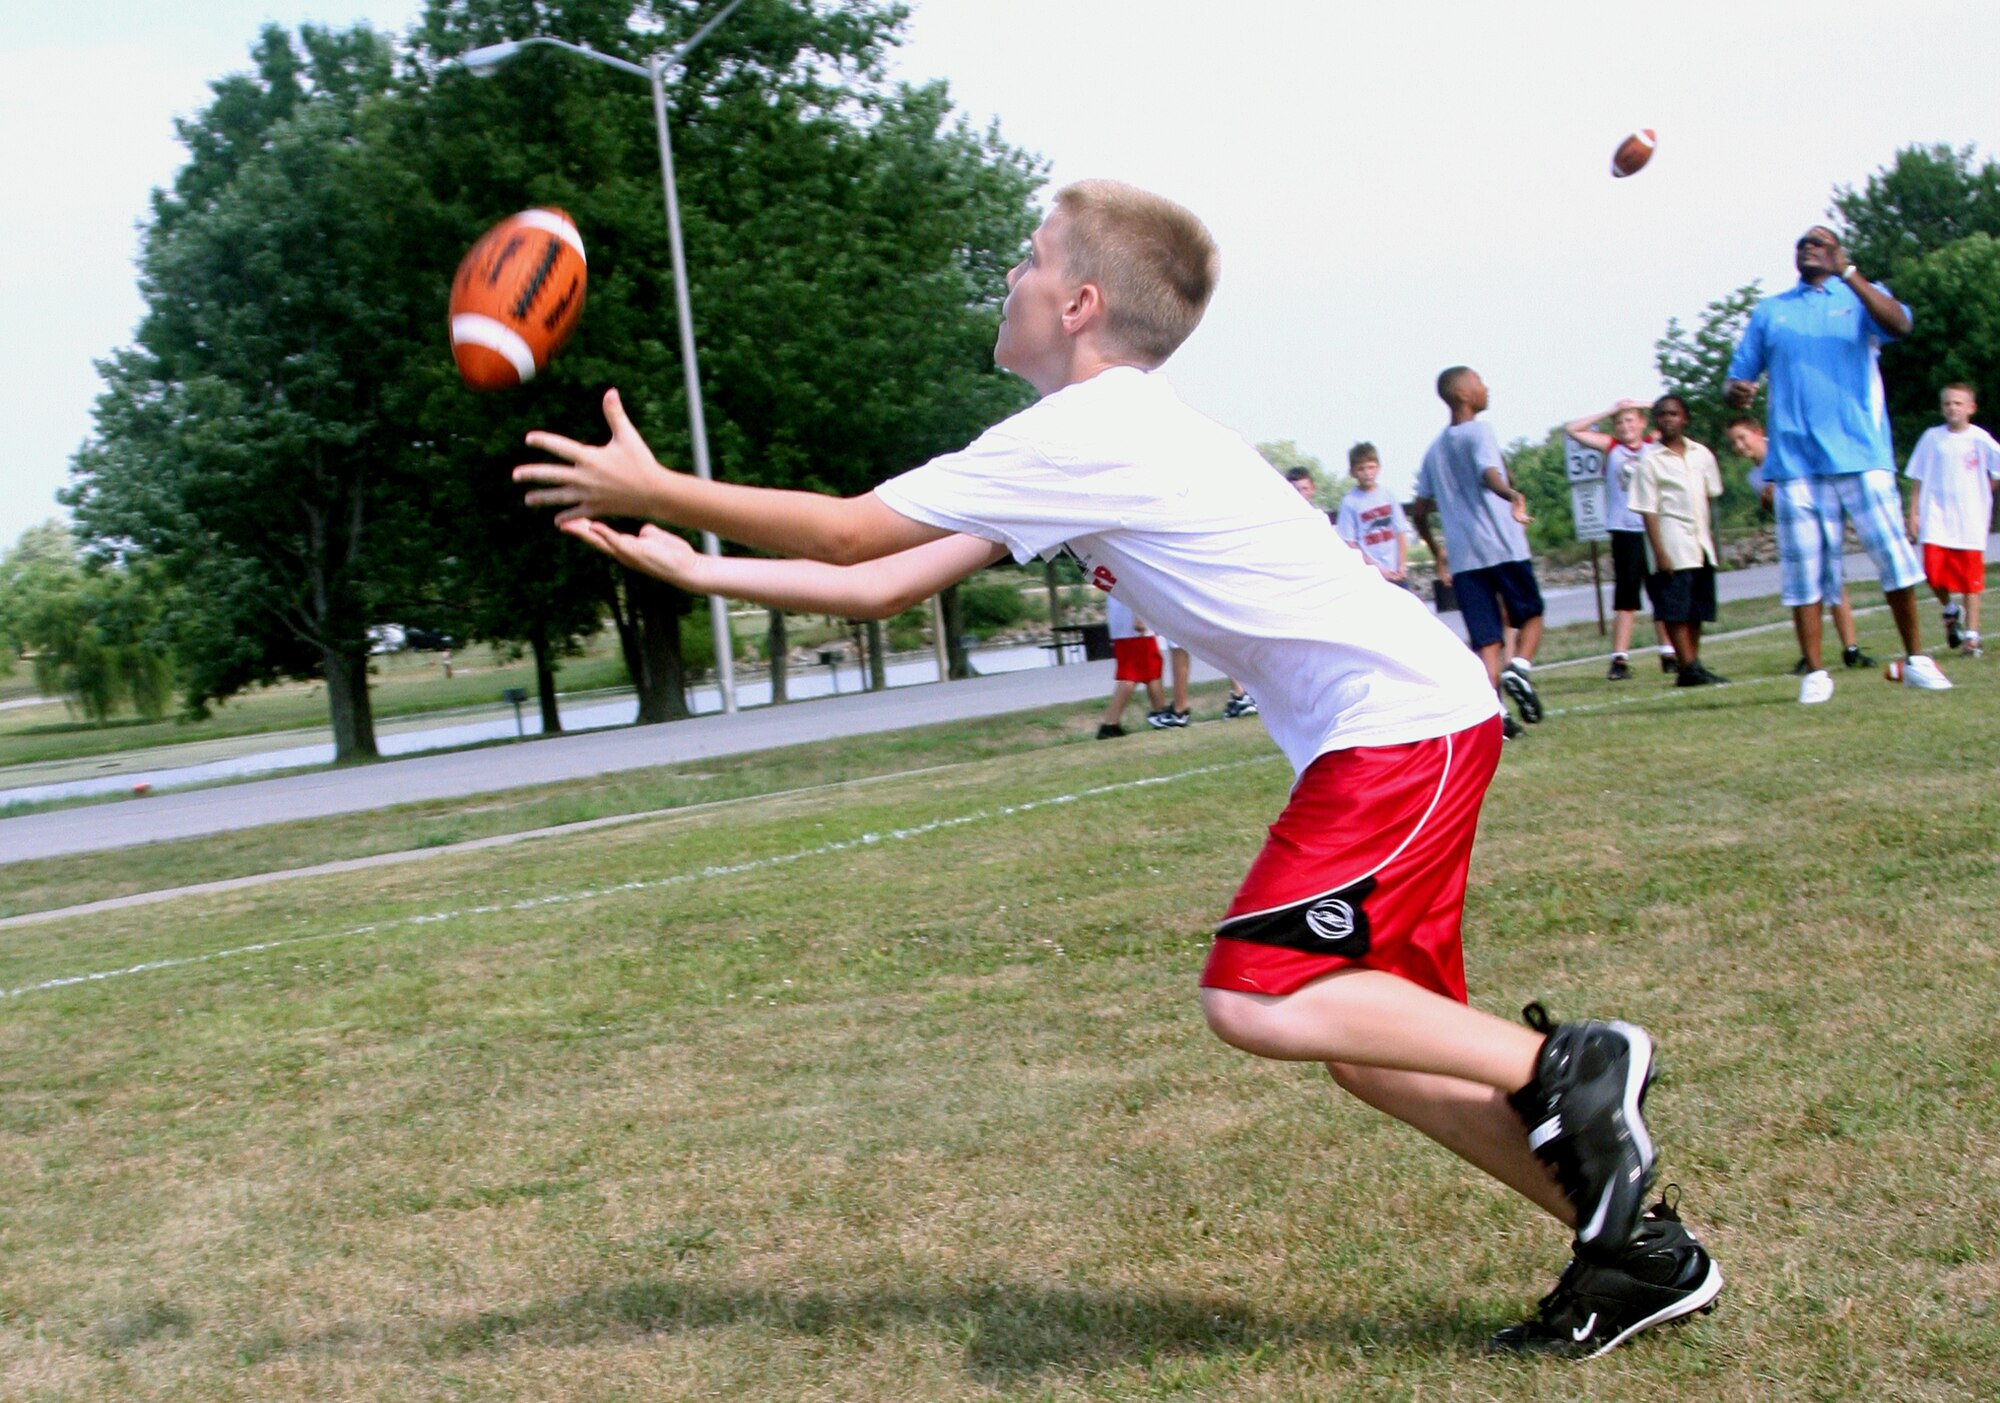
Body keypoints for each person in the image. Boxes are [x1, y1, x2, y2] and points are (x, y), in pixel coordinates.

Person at [514, 178, 1720, 1357]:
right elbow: (873, 581)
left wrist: (654, 481)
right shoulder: (1080, 445)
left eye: (1030, 259)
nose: (1010, 275)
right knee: (1366, 1042)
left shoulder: (1088, 428)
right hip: (1404, 715)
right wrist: (696, 567)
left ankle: (1574, 1061)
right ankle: (1639, 1254)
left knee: (1259, 994)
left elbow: (844, 527)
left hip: (1394, 721)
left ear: (1080, 301)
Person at [1724, 224, 1951, 700]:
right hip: (1794, 462)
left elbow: (1900, 325)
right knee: (1804, 573)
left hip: (1861, 452)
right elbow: (1735, 382)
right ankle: (1815, 672)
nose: (1808, 247)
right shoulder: (1772, 312)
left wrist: (1849, 274)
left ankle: (1915, 659)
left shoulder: (1861, 298)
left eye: (1819, 242)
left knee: (1894, 558)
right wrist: (1738, 392)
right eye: (1801, 243)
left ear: (1837, 252)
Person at [1411, 367, 1547, 737]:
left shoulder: (1435, 450)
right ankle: (1519, 668)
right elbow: (1490, 474)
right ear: (1464, 395)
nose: (1487, 386)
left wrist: (1437, 550)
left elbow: (1420, 510)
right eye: (1480, 382)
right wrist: (1511, 495)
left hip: (1464, 557)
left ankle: (1496, 716)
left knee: (1487, 640)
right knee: (1532, 613)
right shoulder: (1480, 431)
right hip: (1501, 546)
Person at [1723, 417, 1874, 679]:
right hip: (1792, 531)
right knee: (1800, 591)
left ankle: (1850, 648)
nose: (1739, 446)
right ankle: (1808, 653)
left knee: (1835, 582)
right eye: (1734, 442)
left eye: (1742, 438)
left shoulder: (1783, 449)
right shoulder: (1754, 475)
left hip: (1818, 516)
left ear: (1758, 433)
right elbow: (1776, 510)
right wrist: (1769, 501)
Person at [1563, 399, 1676, 679]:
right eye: (1620, 422)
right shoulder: (1612, 448)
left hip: (1652, 528)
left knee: (1661, 594)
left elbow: (1674, 414)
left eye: (1631, 420)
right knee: (1626, 598)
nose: (1626, 426)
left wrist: (1641, 404)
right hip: (1624, 529)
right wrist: (1610, 410)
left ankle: (1669, 652)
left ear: (1642, 423)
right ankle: (1619, 659)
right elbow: (1573, 430)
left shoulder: (1652, 444)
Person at [1628, 396, 1725, 685]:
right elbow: (1648, 509)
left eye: (1674, 414)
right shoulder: (1650, 461)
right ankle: (1688, 664)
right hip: (1671, 542)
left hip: (1699, 543)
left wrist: (1713, 542)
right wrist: (1659, 552)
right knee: (1675, 608)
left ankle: (1690, 666)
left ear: (1685, 419)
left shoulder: (1701, 455)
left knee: (1696, 608)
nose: (1668, 419)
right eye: (1662, 415)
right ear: (1656, 420)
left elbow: (1709, 497)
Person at [1905, 383, 2000, 658]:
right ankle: (1949, 608)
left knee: (1971, 579)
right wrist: (1914, 512)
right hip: (1936, 516)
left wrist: (1981, 491)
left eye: (1958, 403)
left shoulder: (1980, 439)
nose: (1952, 408)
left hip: (1968, 518)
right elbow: (1918, 477)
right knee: (1932, 572)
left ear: (1971, 408)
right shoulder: (1932, 438)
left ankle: (1972, 637)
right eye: (1947, 403)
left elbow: (1995, 470)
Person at [1335, 442, 1411, 587]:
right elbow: (1350, 543)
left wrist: (1402, 564)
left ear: (1378, 467)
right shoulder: (1350, 502)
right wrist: (1377, 568)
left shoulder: (1388, 495)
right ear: (1352, 472)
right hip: (1371, 574)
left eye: (1371, 467)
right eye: (1361, 469)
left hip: (1396, 570)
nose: (1367, 473)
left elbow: (1400, 531)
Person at [1100, 593, 1169, 737]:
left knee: (1151, 669)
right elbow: (1132, 585)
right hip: (1133, 623)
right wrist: (1140, 617)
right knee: (1131, 674)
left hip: (1122, 621)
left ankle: (1160, 713)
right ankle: (1110, 723)